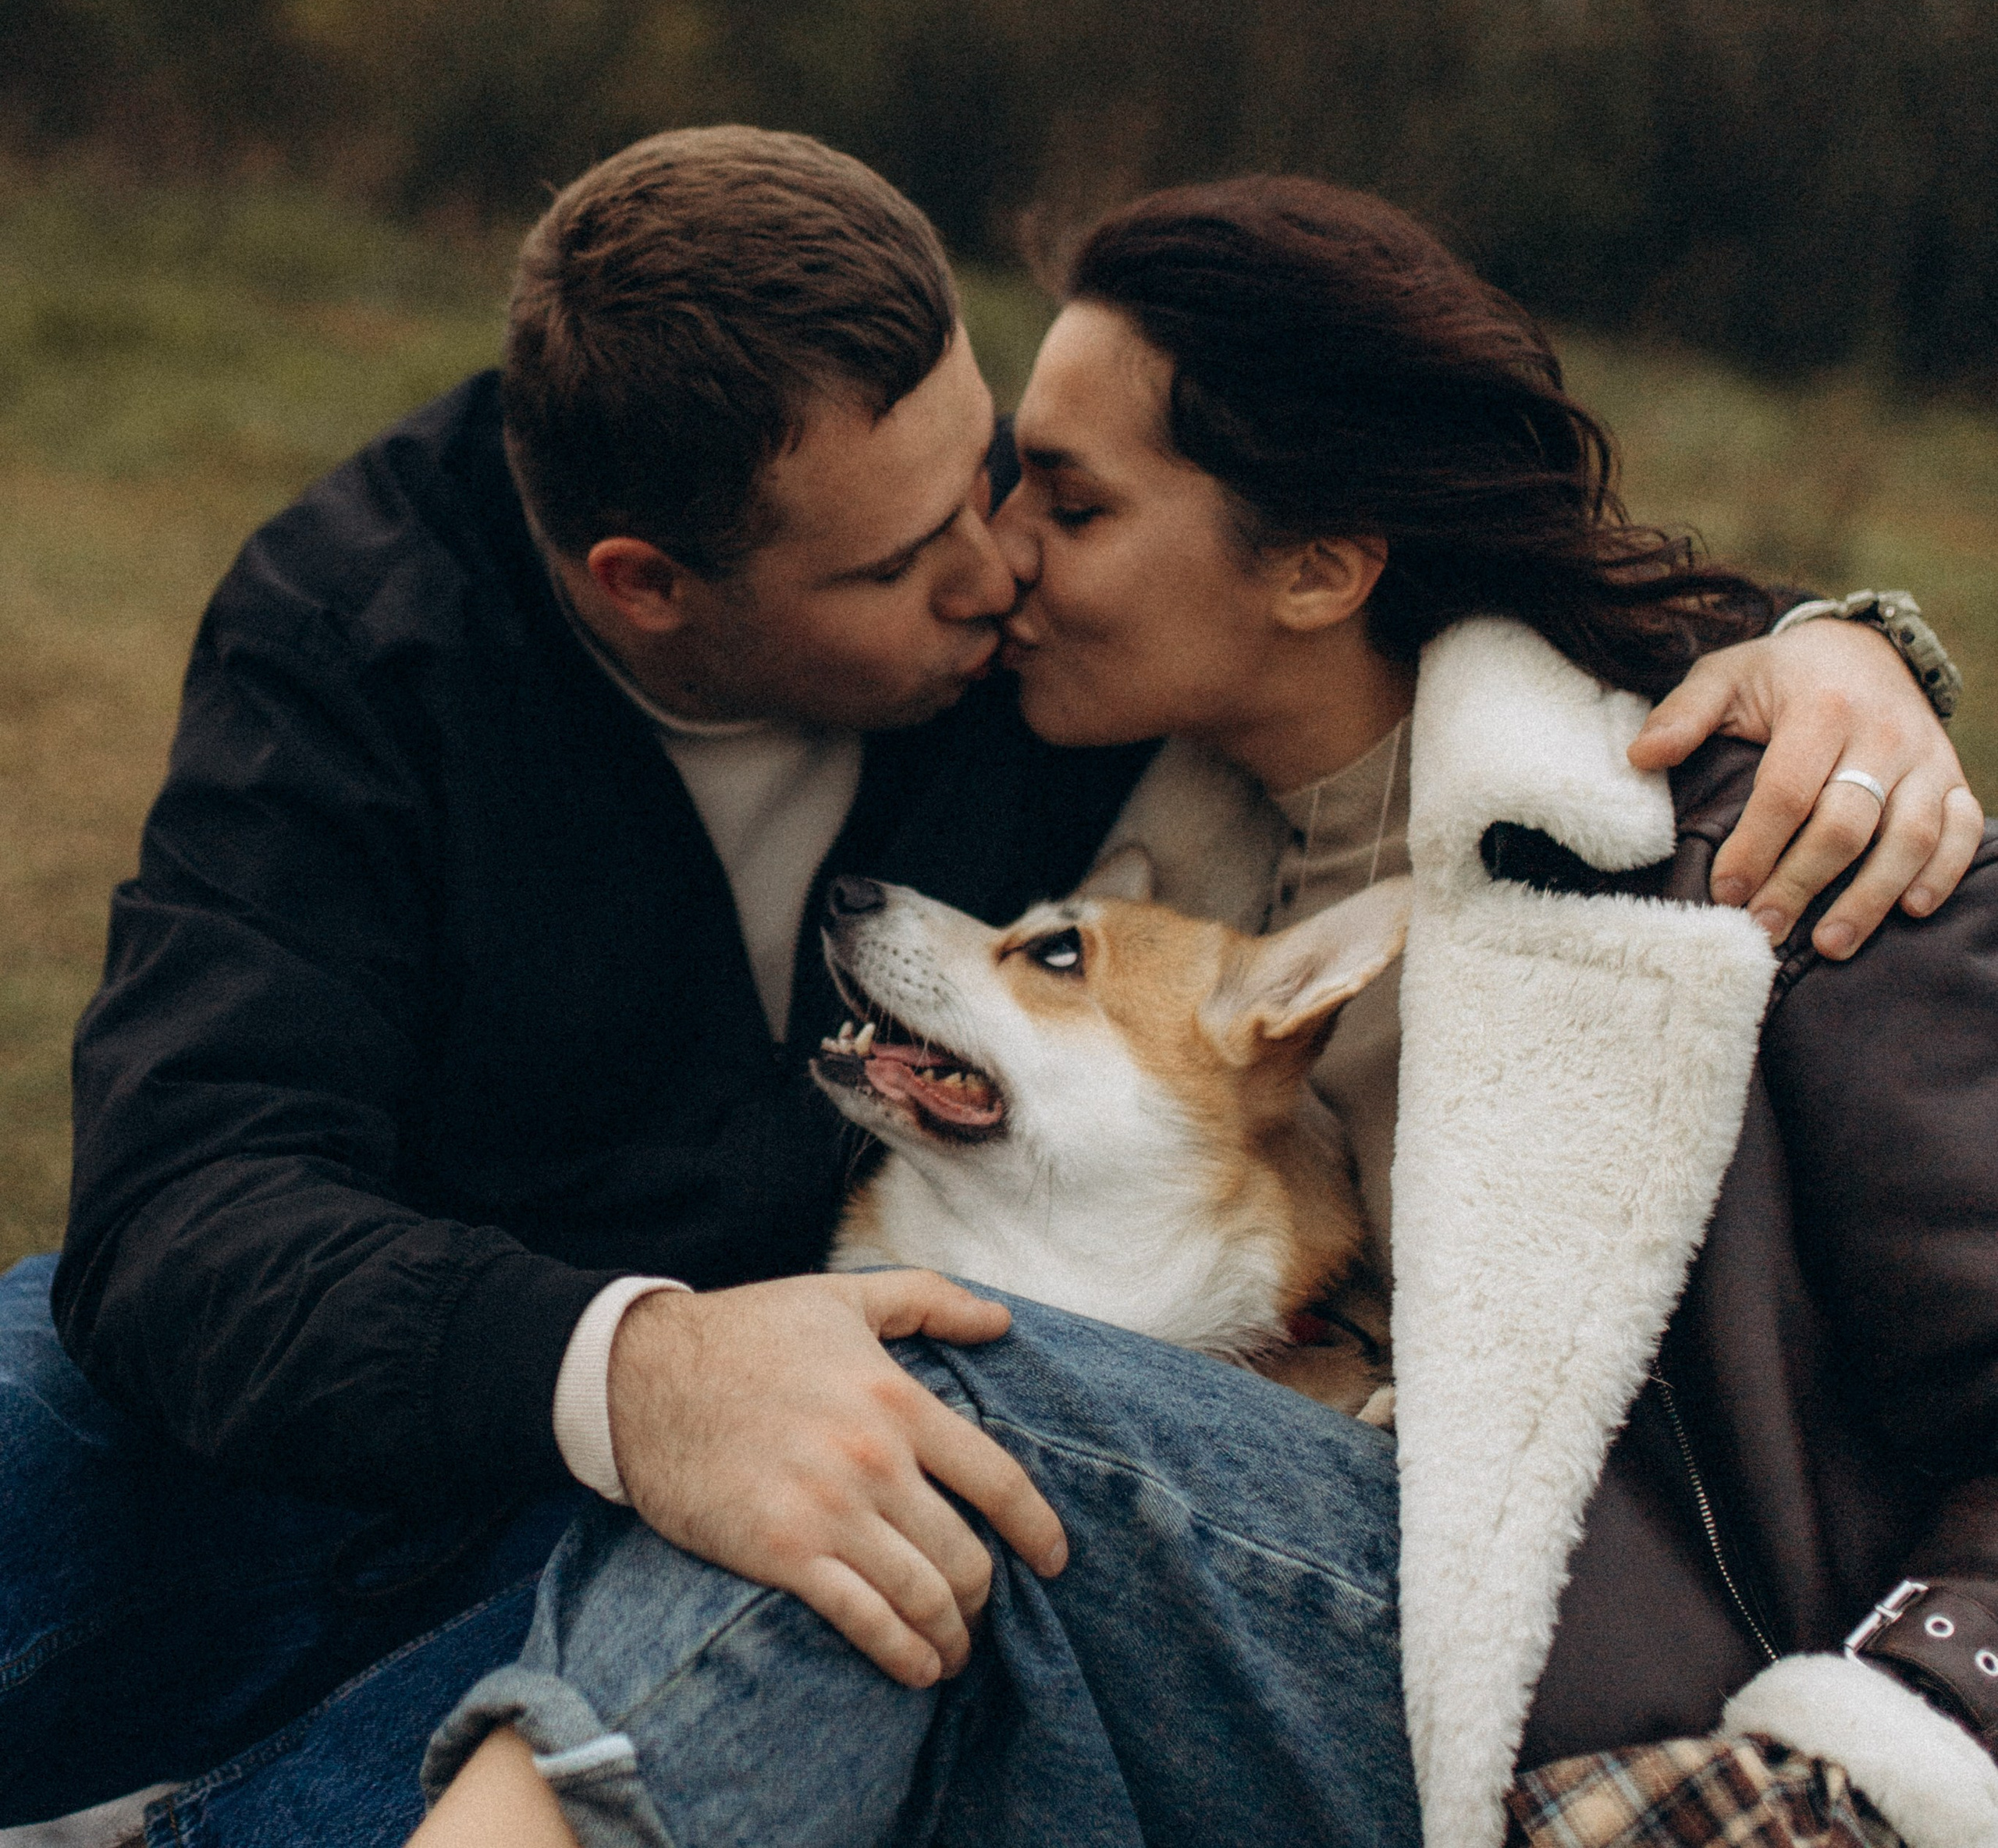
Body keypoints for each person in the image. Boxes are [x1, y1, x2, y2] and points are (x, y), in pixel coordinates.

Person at [0, 135, 1975, 1848]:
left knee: (897, 1447)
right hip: (502, 1377)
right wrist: (634, 1369)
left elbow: (1427, 556)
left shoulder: (1682, 820)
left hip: (1229, 1572)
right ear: (644, 581)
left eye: (1024, 484)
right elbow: (188, 1207)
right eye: (917, 551)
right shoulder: (378, 634)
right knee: (44, 1382)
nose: (996, 568)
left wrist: (1829, 648)